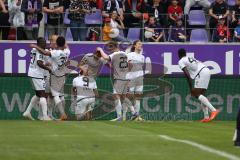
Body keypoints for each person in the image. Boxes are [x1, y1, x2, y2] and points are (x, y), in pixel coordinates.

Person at [29, 36, 70, 120]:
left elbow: (44, 52)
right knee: (59, 96)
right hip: (62, 76)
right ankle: (51, 114)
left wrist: (35, 46)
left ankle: (63, 114)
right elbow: (67, 46)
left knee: (55, 96)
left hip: (55, 76)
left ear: (57, 43)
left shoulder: (56, 52)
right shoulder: (67, 52)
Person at [97, 41, 138, 121]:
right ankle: (134, 113)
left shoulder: (114, 54)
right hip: (126, 78)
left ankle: (119, 117)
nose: (109, 49)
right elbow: (131, 64)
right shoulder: (125, 54)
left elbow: (105, 57)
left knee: (116, 96)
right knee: (123, 97)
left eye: (110, 47)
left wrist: (100, 50)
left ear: (114, 47)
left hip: (119, 79)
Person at [178, 48, 220, 123]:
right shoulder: (190, 57)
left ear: (178, 55)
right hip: (206, 70)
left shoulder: (181, 61)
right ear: (185, 53)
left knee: (196, 93)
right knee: (201, 95)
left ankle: (213, 110)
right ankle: (206, 117)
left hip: (201, 73)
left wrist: (191, 87)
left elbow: (186, 74)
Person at [23, 37, 52, 121]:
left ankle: (27, 112)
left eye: (45, 42)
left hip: (32, 73)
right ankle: (45, 116)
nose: (45, 44)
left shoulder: (34, 49)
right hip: (37, 74)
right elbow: (39, 63)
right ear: (39, 44)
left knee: (38, 95)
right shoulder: (40, 52)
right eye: (43, 42)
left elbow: (37, 61)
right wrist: (48, 69)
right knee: (43, 95)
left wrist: (45, 63)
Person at [125, 40, 145, 121]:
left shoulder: (142, 57)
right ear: (135, 46)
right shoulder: (129, 55)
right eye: (139, 44)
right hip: (131, 78)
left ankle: (137, 116)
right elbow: (128, 67)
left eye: (141, 44)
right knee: (127, 97)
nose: (141, 45)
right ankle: (133, 113)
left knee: (138, 98)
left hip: (140, 79)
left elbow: (141, 68)